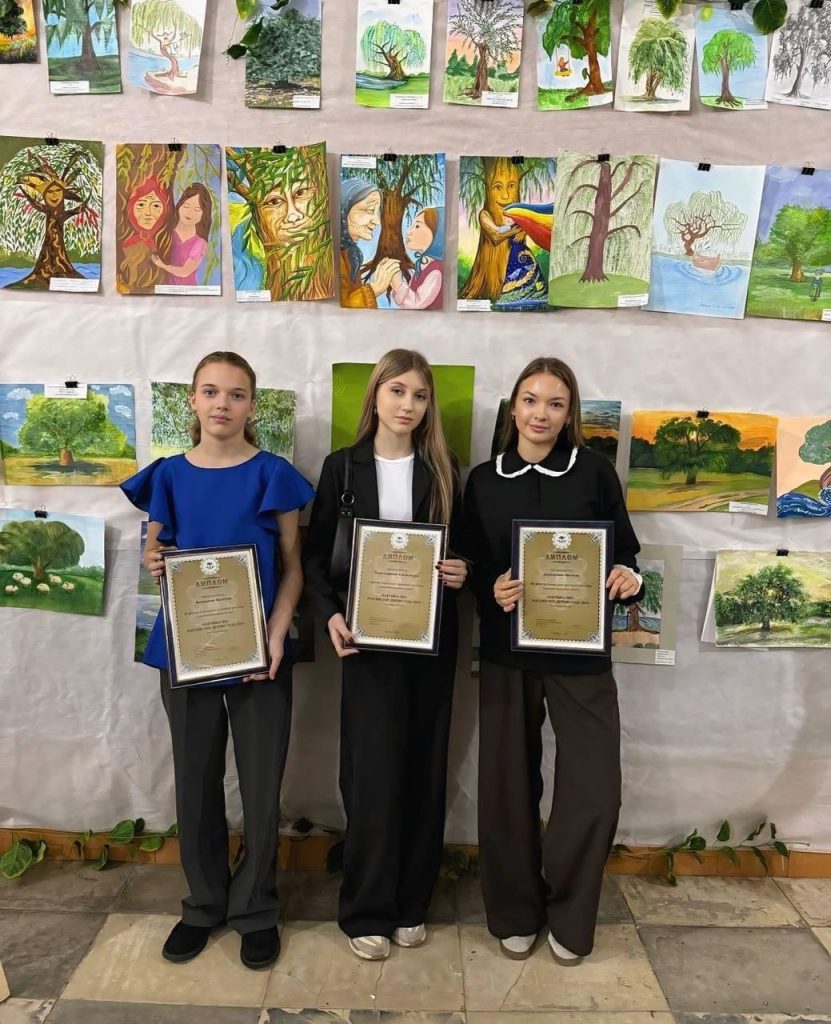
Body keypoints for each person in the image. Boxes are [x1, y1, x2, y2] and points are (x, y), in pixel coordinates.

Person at [120, 351, 315, 971]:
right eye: (210, 391)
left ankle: (255, 907)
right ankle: (203, 904)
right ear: (193, 401)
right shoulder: (168, 475)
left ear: (252, 404)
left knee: (261, 786)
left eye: (235, 394)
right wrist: (154, 559)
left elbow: (293, 568)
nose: (222, 404)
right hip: (186, 649)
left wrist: (278, 633)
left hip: (261, 652)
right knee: (195, 780)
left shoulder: (274, 474)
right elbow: (157, 552)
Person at [459, 357, 644, 966]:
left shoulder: (594, 473)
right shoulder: (484, 480)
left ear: (570, 415)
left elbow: (626, 555)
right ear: (513, 407)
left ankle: (570, 912)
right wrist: (489, 585)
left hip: (580, 656)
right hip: (507, 653)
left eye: (555, 404)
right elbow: (468, 564)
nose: (541, 414)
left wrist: (628, 578)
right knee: (507, 786)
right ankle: (515, 911)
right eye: (531, 400)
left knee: (595, 788)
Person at [303, 349, 467, 961]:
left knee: (424, 767)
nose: (408, 405)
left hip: (431, 642)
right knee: (371, 773)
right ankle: (366, 909)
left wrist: (462, 570)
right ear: (375, 395)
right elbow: (316, 554)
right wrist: (330, 612)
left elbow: (468, 550)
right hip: (366, 643)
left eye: (420, 395)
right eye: (397, 391)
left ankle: (410, 903)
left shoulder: (445, 469)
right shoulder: (342, 468)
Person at [339, 177, 401, 308]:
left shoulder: (351, 254)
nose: (377, 221)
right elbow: (342, 305)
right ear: (344, 210)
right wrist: (376, 287)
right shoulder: (333, 256)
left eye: (377, 212)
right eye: (369, 210)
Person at [151, 183, 212, 286]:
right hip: (162, 286)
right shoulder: (166, 232)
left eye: (197, 210)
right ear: (180, 206)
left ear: (204, 214)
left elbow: (185, 271)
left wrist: (162, 266)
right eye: (186, 206)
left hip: (185, 289)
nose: (190, 213)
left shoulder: (200, 243)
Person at [390, 207, 445, 311]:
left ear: (438, 233)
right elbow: (405, 302)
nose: (409, 232)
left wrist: (398, 285)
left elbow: (416, 304)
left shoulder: (436, 272)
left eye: (417, 226)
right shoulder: (422, 265)